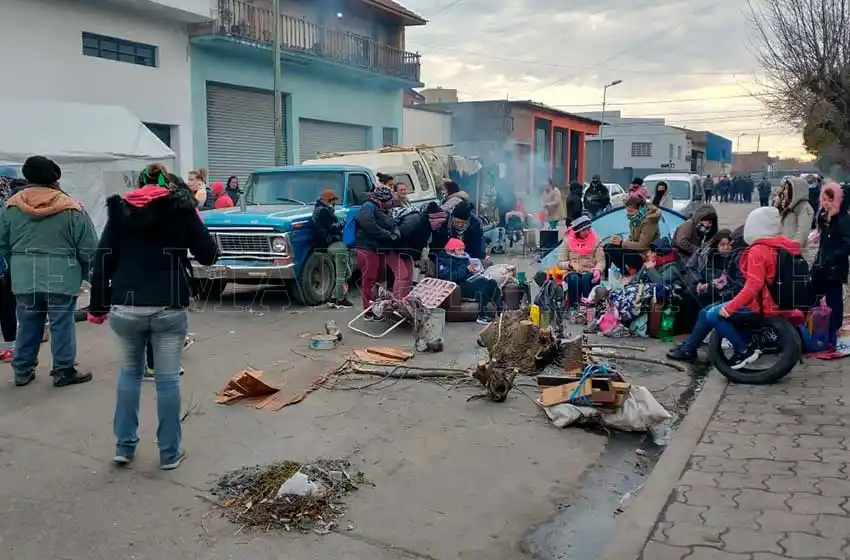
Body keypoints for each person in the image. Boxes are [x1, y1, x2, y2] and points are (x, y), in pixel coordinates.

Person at [88, 164, 218, 469]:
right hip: (168, 305)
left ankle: (124, 446)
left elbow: (103, 258)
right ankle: (169, 454)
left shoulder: (120, 212)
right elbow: (208, 254)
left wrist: (96, 306)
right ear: (169, 185)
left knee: (130, 374)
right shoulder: (181, 210)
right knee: (167, 380)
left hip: (126, 305)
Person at [0, 156, 98, 387]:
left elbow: (2, 244)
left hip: (24, 275)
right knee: (61, 322)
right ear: (55, 178)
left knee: (28, 322)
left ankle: (22, 370)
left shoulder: (12, 207)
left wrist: (15, 265)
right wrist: (86, 273)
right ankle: (64, 370)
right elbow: (89, 248)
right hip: (62, 274)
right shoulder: (71, 207)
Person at [667, 206, 799, 368]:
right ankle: (688, 349)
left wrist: (730, 308)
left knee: (713, 315)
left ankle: (743, 349)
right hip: (770, 301)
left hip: (760, 305)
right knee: (704, 312)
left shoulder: (758, 250)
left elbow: (754, 285)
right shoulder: (777, 245)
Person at [810, 183, 850, 348]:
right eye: (824, 200)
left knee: (834, 299)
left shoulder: (843, 220)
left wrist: (831, 260)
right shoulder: (826, 218)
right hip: (822, 266)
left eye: (830, 200)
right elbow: (823, 245)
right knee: (812, 295)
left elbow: (846, 245)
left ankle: (835, 328)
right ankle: (815, 327)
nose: (826, 203)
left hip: (834, 268)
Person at [354, 185, 398, 319]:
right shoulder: (368, 207)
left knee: (376, 279)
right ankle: (368, 311)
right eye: (389, 200)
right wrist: (387, 234)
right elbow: (369, 226)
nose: (391, 203)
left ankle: (375, 307)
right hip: (367, 249)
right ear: (382, 200)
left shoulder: (379, 208)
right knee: (369, 279)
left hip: (375, 248)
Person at [436, 238, 501, 325]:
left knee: (492, 282)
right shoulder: (443, 261)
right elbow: (450, 277)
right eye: (459, 249)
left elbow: (465, 272)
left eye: (463, 249)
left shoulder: (464, 258)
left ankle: (500, 312)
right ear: (451, 250)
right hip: (459, 286)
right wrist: (465, 269)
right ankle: (482, 316)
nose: (462, 252)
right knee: (483, 284)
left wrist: (474, 271)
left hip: (470, 281)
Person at [312, 188, 352, 308]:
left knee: (345, 273)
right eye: (334, 200)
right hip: (334, 244)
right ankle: (339, 299)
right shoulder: (324, 211)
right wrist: (344, 222)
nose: (335, 203)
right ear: (329, 200)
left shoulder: (318, 210)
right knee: (342, 274)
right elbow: (333, 228)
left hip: (328, 244)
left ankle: (335, 296)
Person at [604, 195, 661, 273]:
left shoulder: (650, 221)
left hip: (645, 255)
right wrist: (617, 242)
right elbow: (632, 237)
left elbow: (642, 245)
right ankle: (607, 275)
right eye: (627, 211)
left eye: (631, 211)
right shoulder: (635, 219)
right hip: (636, 251)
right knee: (607, 247)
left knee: (611, 248)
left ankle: (625, 274)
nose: (629, 214)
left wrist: (621, 243)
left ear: (640, 209)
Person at [557, 216, 604, 309]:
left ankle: (588, 306)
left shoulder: (596, 240)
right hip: (572, 271)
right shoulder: (567, 241)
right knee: (574, 279)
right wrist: (571, 265)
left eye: (588, 229)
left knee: (586, 279)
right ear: (577, 232)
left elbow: (601, 261)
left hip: (590, 270)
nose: (587, 232)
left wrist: (598, 270)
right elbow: (560, 263)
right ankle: (574, 307)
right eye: (583, 230)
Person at [389, 203, 431, 300]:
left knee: (409, 275)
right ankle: (397, 301)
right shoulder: (416, 222)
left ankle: (405, 300)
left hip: (403, 250)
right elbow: (399, 236)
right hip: (392, 248)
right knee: (403, 275)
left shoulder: (424, 224)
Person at [685, 229, 735, 307]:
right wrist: (699, 281)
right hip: (702, 282)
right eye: (722, 244)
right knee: (688, 293)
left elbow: (731, 279)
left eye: (728, 244)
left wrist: (709, 286)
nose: (726, 247)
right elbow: (691, 267)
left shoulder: (734, 257)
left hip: (720, 288)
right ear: (716, 245)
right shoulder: (704, 252)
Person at [778, 177, 813, 249]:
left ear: (796, 190)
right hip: (785, 250)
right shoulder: (789, 207)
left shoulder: (804, 208)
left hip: (794, 254)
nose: (784, 191)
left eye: (787, 189)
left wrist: (793, 250)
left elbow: (802, 234)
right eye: (784, 189)